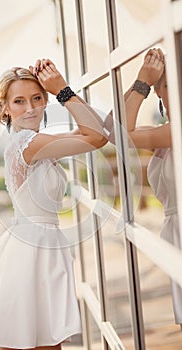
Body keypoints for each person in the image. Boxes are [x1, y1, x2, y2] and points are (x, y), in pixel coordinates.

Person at [0, 59, 108, 350]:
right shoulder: (29, 143)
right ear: (5, 109)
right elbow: (97, 137)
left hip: (36, 247)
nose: (30, 108)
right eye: (19, 101)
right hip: (31, 252)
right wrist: (62, 89)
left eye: (37, 98)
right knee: (36, 341)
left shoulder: (38, 141)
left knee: (38, 341)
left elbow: (97, 129)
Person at [123, 48, 182, 329]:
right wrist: (141, 81)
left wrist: (142, 84)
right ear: (159, 92)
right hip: (175, 230)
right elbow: (114, 130)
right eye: (169, 83)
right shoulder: (167, 131)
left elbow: (119, 135)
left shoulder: (175, 131)